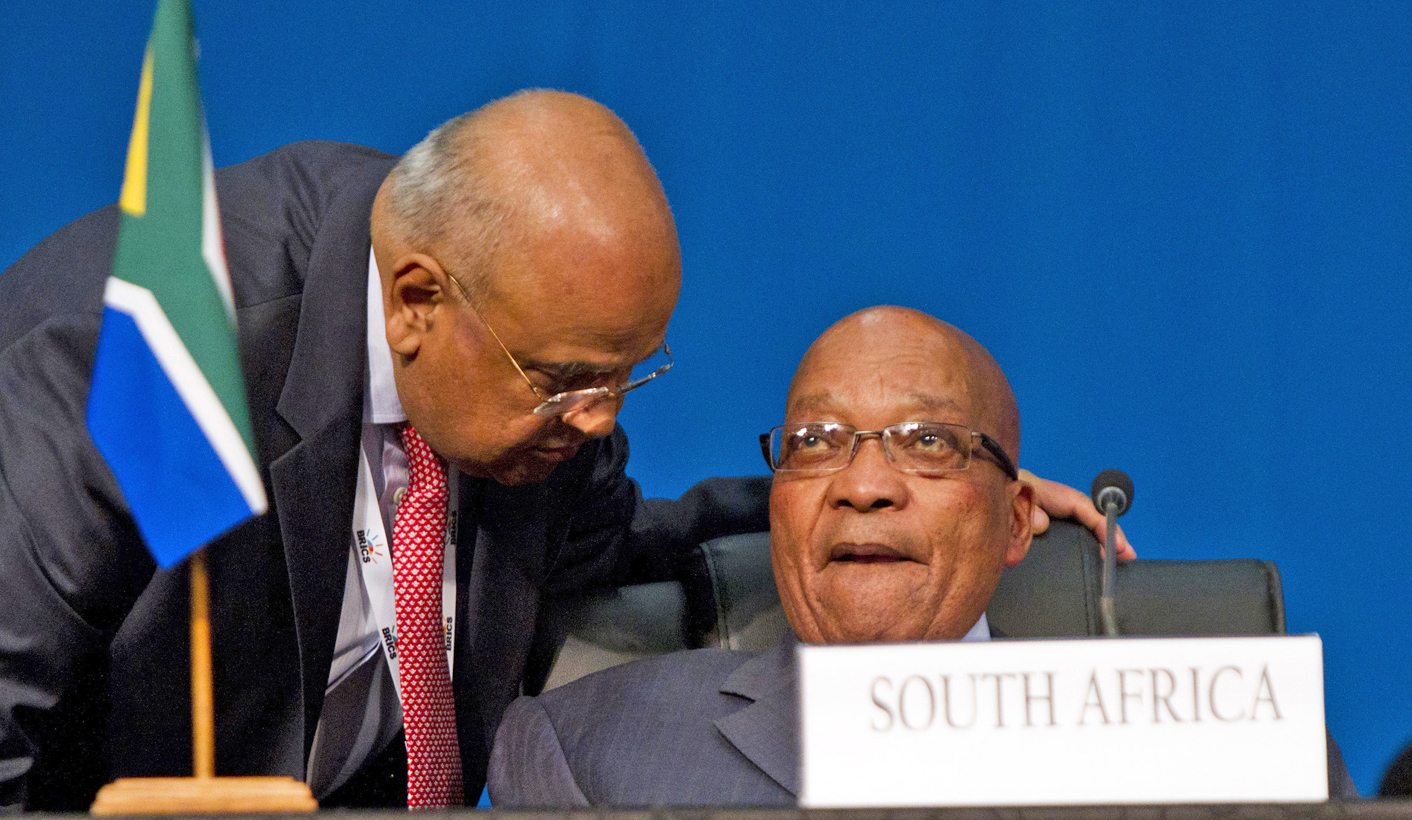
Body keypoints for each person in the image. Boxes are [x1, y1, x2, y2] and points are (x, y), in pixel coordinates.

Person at [0, 92, 1123, 810]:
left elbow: (620, 536)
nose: (599, 420)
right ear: (415, 303)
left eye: (627, 373)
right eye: (567, 380)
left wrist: (875, 486)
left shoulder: (519, 370)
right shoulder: (138, 355)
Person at [486, 305, 1354, 806]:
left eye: (928, 442)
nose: (864, 484)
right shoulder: (589, 745)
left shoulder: (1218, 746)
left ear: (1017, 523)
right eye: (816, 441)